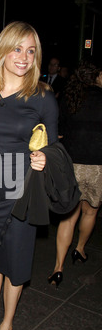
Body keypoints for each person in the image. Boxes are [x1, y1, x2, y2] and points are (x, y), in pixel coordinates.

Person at [0, 21, 58, 330]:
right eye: (17, 48)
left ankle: (8, 324)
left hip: (22, 191)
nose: (23, 57)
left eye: (31, 50)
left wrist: (43, 158)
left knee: (16, 262)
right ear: (2, 50)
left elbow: (52, 147)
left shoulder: (42, 97)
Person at [48, 60, 102, 287]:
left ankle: (57, 268)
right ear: (96, 76)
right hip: (98, 166)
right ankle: (79, 250)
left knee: (68, 217)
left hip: (71, 163)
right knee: (90, 212)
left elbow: (58, 129)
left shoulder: (70, 99)